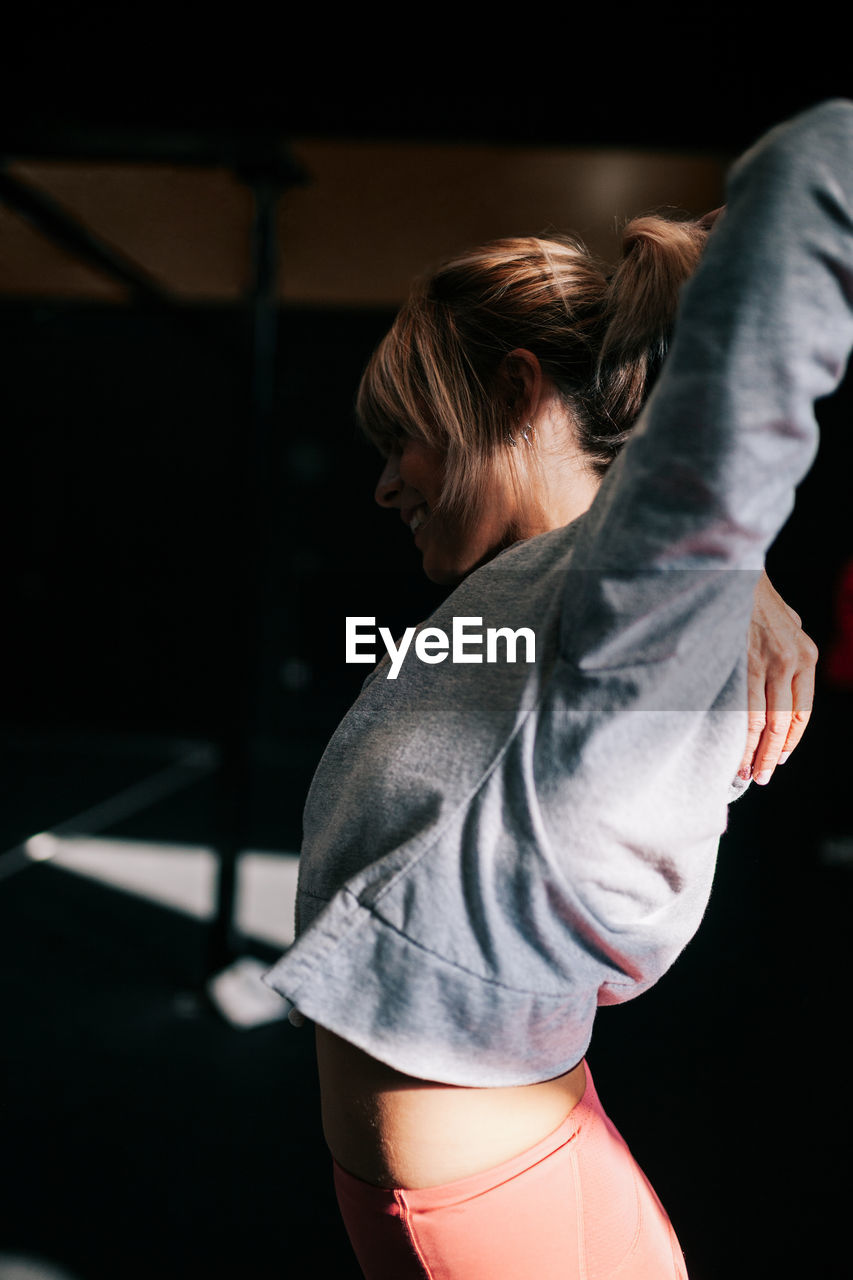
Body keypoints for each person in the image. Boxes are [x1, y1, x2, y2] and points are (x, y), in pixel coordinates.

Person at [263, 100, 853, 1278]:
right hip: (526, 1178)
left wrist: (719, 572)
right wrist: (742, 579)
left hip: (514, 1217)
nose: (386, 485)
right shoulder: (527, 605)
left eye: (405, 439)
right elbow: (368, 648)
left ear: (517, 389)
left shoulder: (626, 599)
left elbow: (811, 168)